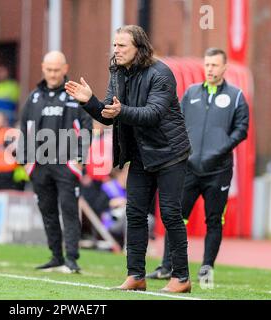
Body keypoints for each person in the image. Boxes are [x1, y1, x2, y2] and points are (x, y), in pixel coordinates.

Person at [65, 25, 192, 292]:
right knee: (133, 214)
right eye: (114, 45)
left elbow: (152, 114)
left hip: (170, 153)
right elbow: (109, 115)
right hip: (140, 155)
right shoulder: (117, 72)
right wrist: (89, 101)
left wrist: (120, 111)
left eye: (122, 46)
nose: (116, 50)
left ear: (139, 48)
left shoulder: (161, 73)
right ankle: (136, 276)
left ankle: (181, 278)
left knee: (170, 214)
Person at [146, 48, 249, 281]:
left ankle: (206, 270)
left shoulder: (236, 96)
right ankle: (166, 267)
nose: (210, 69)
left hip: (218, 171)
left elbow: (241, 130)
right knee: (175, 217)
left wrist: (219, 150)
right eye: (208, 64)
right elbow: (177, 123)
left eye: (215, 65)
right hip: (189, 170)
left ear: (224, 67)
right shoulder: (191, 92)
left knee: (214, 221)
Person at [17, 51, 92, 273]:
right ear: (42, 67)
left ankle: (72, 259)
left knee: (69, 211)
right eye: (49, 69)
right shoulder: (34, 97)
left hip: (66, 164)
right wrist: (25, 161)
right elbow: (24, 129)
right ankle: (56, 256)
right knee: (47, 210)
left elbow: (87, 128)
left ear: (65, 69)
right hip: (39, 165)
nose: (52, 74)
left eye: (56, 70)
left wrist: (79, 159)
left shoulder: (74, 95)